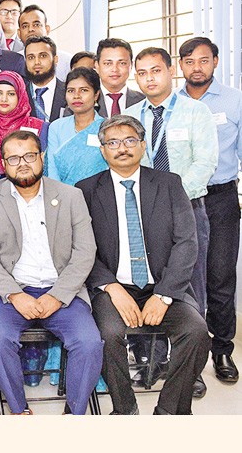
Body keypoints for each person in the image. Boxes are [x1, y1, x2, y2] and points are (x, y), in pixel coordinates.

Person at [76, 115, 211, 415]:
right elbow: (82, 248)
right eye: (112, 142)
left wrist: (164, 295)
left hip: (164, 286)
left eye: (129, 140)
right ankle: (125, 409)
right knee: (107, 334)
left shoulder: (169, 184)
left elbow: (187, 243)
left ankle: (169, 411)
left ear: (142, 145)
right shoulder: (85, 190)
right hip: (113, 288)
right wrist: (112, 288)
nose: (122, 148)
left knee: (196, 331)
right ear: (102, 150)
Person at [0, 130, 103, 415]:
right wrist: (15, 295)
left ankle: (75, 413)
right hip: (11, 292)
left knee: (89, 343)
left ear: (41, 157)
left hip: (62, 291)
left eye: (29, 156)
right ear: (3, 163)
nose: (22, 163)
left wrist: (57, 296)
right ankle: (19, 410)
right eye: (13, 158)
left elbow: (85, 252)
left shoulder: (71, 196)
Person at [126, 47, 218, 320]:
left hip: (186, 209)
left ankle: (194, 341)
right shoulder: (130, 117)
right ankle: (149, 344)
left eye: (156, 71)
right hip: (142, 213)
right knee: (148, 282)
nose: (149, 78)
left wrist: (170, 200)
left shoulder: (196, 111)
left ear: (171, 70)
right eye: (142, 73)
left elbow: (205, 163)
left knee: (190, 283)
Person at [178, 36, 242, 384]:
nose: (197, 68)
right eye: (189, 62)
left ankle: (222, 350)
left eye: (203, 60)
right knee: (187, 280)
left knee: (220, 277)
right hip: (183, 200)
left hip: (221, 198)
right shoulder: (174, 103)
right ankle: (192, 359)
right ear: (180, 66)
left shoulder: (234, 100)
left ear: (215, 61)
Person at [0, 70, 49, 190]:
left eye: (11, 94)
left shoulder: (40, 127)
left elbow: (45, 169)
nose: (4, 99)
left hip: (33, 191)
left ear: (20, 96)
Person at [46, 67, 108, 186]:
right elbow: (53, 170)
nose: (76, 96)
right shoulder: (57, 127)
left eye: (84, 90)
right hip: (64, 192)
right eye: (71, 91)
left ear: (96, 95)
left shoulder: (107, 128)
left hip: (100, 192)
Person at [94, 38, 144, 117]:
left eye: (122, 63)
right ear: (97, 66)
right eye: (108, 63)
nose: (115, 69)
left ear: (131, 65)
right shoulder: (84, 101)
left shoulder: (143, 101)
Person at [25, 36, 67, 121]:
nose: (37, 62)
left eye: (43, 56)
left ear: (55, 59)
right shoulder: (19, 95)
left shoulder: (69, 92)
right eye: (31, 57)